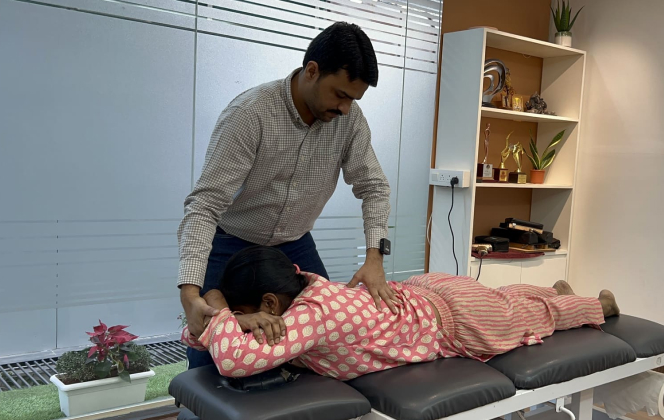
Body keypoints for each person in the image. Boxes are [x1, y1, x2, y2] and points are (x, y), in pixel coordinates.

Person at [178, 22, 399, 370]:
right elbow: (204, 206)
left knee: (326, 337)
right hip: (230, 241)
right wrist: (189, 294)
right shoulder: (251, 114)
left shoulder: (350, 120)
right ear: (312, 71)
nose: (345, 109)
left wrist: (375, 258)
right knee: (211, 348)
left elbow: (374, 187)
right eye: (340, 94)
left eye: (353, 99)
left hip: (295, 243)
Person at [181, 245, 621, 381]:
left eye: (246, 315)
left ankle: (592, 305)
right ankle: (554, 291)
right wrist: (230, 313)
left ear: (270, 304)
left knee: (527, 317)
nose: (245, 327)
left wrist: (221, 314)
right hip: (420, 292)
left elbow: (233, 359)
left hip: (457, 320)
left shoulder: (307, 316)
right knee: (506, 297)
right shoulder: (303, 281)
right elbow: (193, 331)